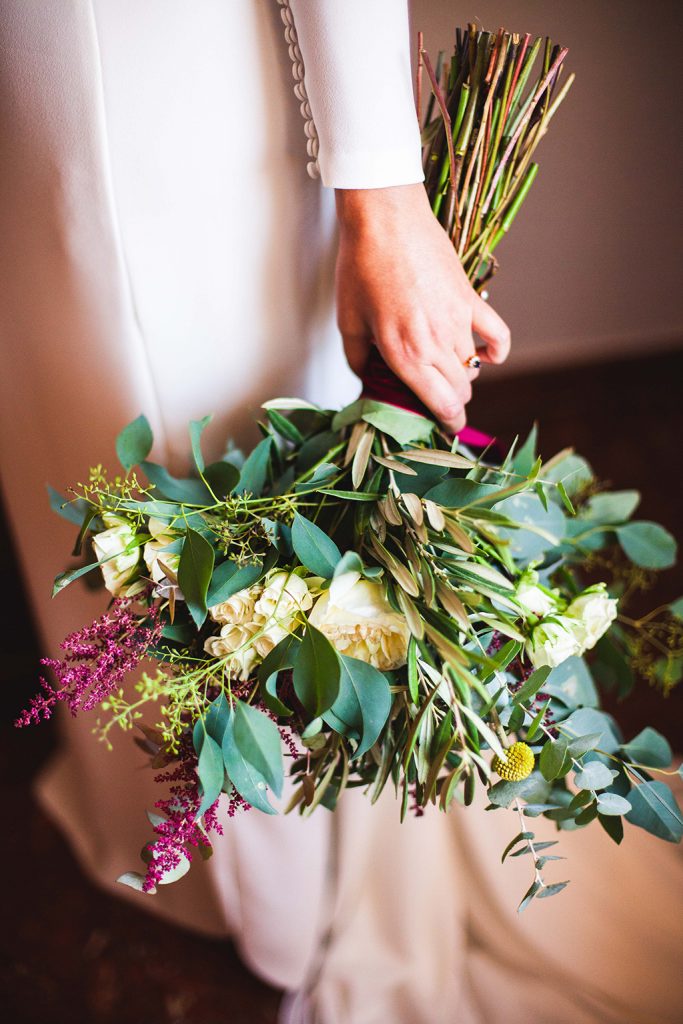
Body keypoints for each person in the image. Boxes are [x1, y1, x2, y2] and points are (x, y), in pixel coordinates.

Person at [0, 3, 680, 1022]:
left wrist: (387, 194)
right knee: (104, 468)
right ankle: (173, 824)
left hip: (167, 89)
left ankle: (279, 885)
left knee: (213, 466)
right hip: (36, 113)